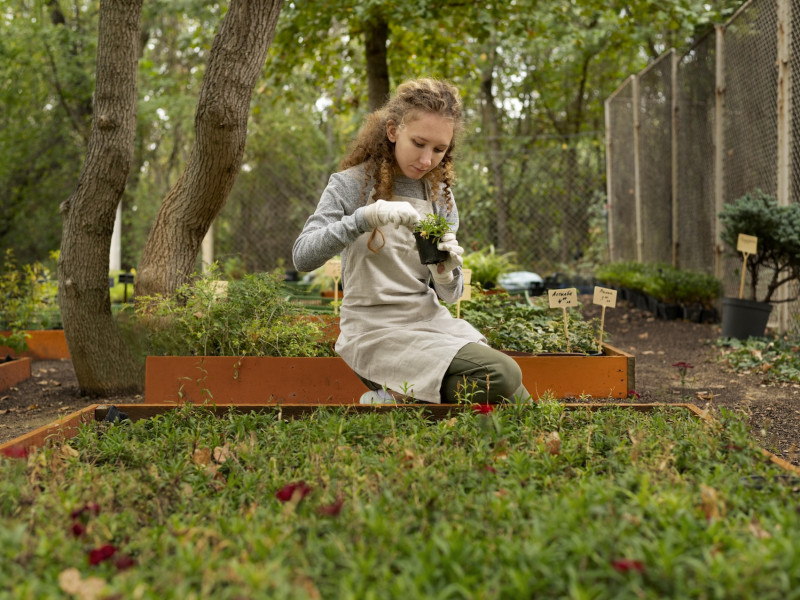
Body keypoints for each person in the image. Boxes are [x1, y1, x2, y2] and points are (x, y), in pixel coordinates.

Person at [293, 78, 529, 405]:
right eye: (419, 143)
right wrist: (363, 219)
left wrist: (445, 272)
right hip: (374, 332)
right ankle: (402, 394)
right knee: (503, 376)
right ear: (393, 131)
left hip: (427, 323)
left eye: (439, 149)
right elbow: (303, 256)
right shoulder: (350, 185)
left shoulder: (440, 197)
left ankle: (398, 398)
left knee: (517, 399)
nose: (427, 159)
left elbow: (451, 295)